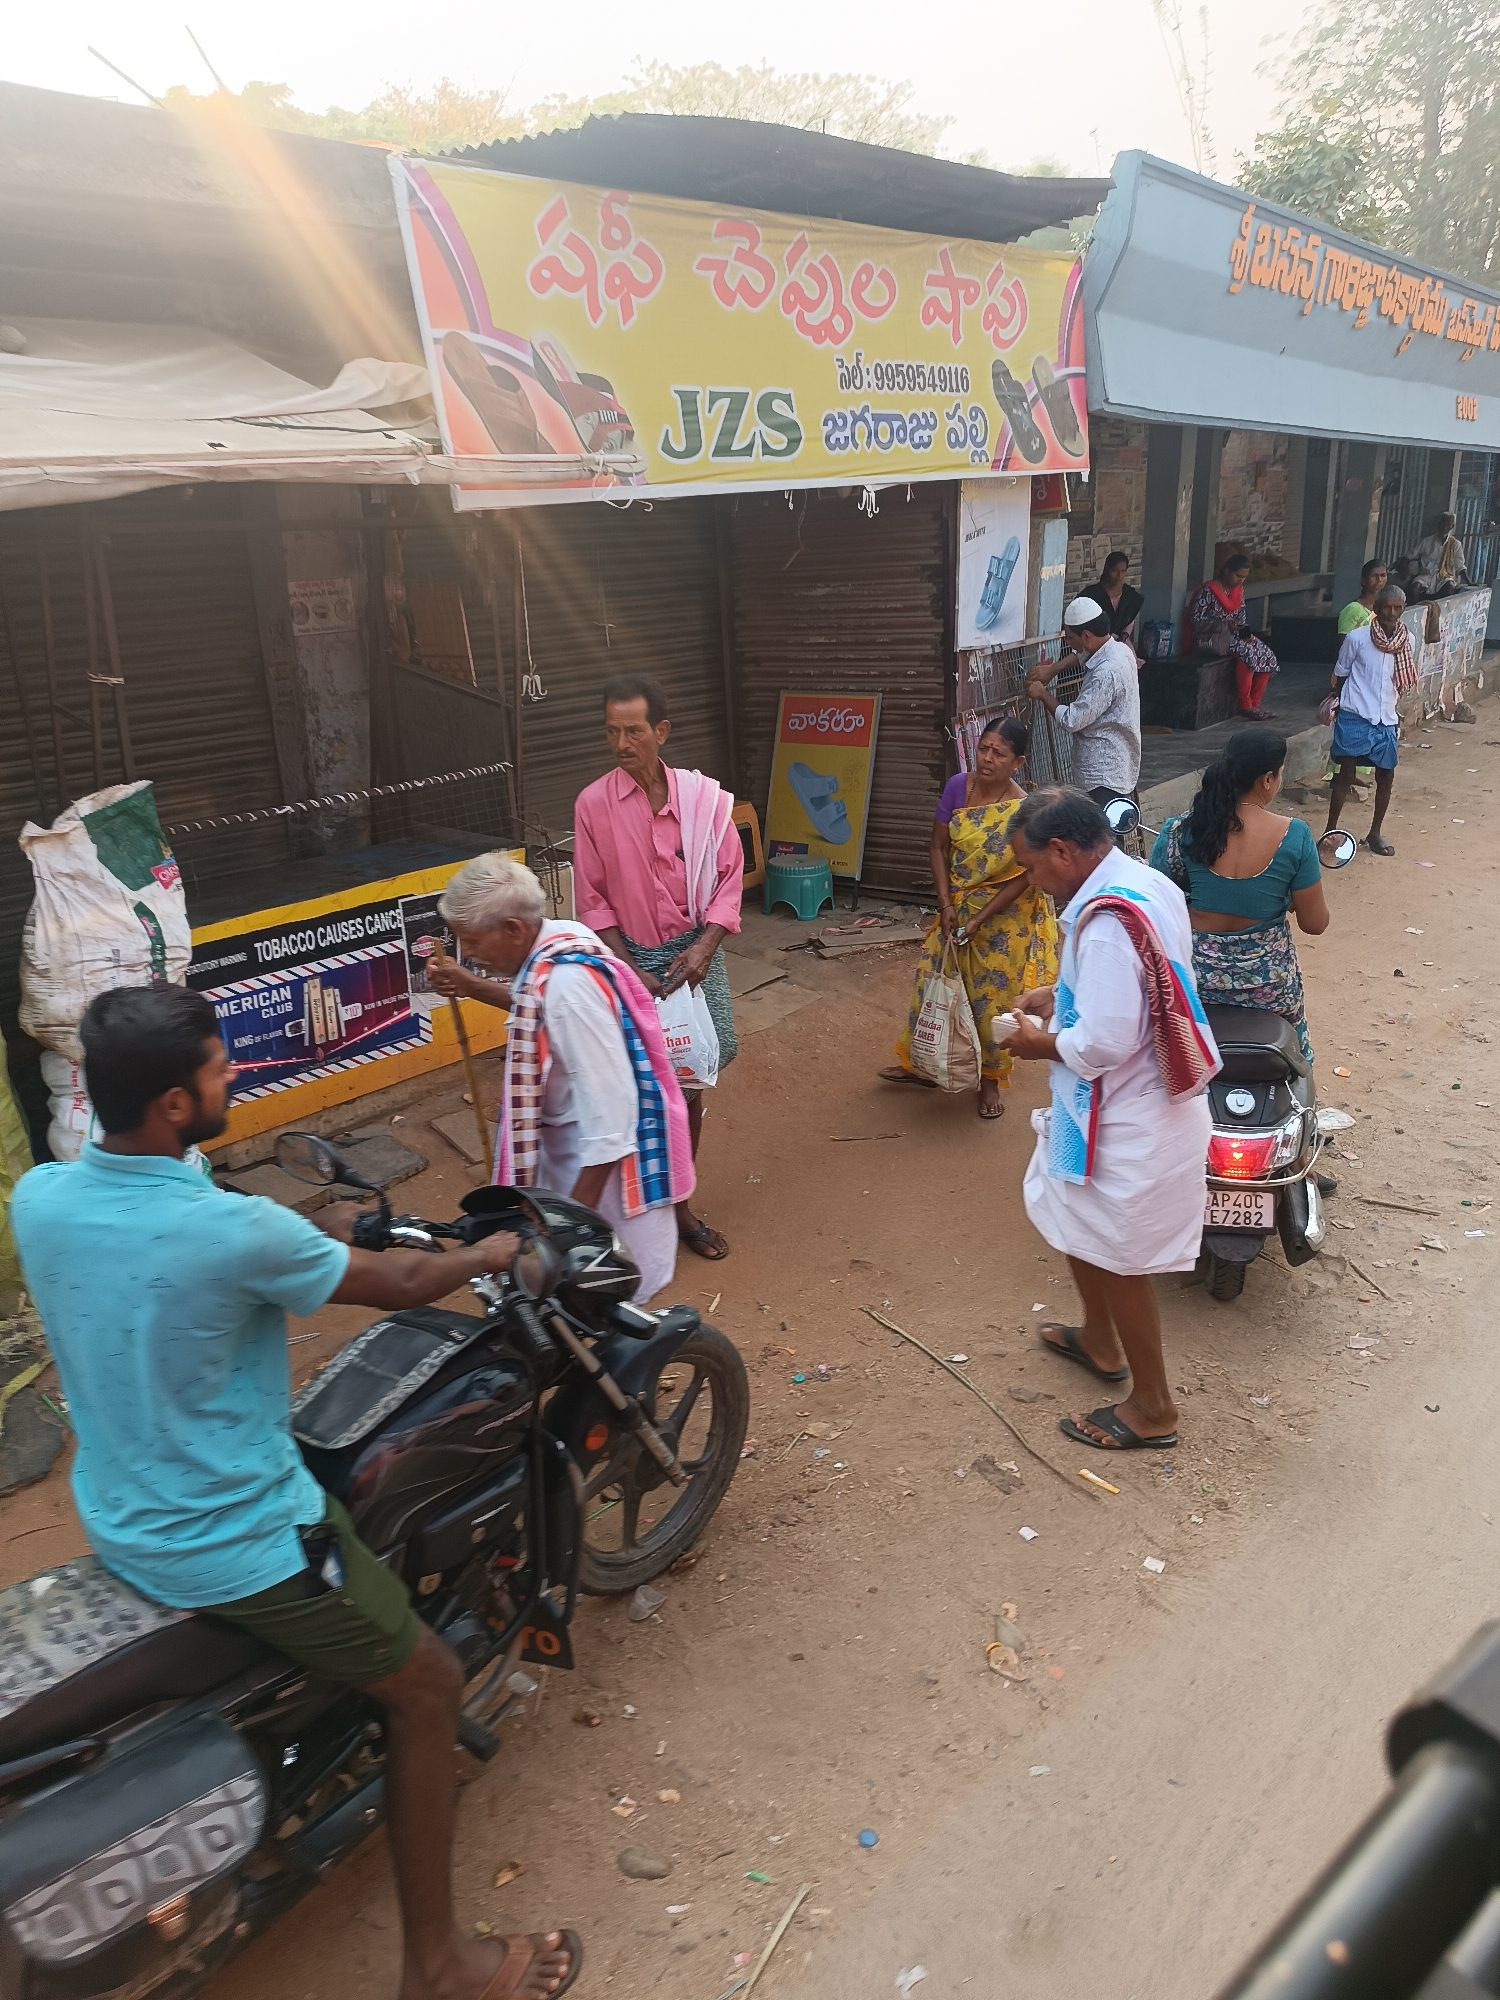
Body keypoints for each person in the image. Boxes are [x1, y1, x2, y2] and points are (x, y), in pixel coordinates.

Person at [8, 985, 581, 2000]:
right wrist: (491, 1250)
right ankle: (441, 1966)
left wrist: (303, 1222)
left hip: (122, 1513)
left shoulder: (43, 1199)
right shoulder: (231, 1234)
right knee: (428, 1683)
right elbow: (402, 1284)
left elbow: (170, 1242)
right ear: (175, 1104)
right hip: (240, 1542)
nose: (234, 1074)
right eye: (219, 1069)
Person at [1003, 789, 1220, 1453]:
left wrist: (1037, 1042)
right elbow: (1142, 979)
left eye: (1031, 867)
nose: (1031, 882)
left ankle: (1154, 1407)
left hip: (1130, 1115)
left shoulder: (1102, 926)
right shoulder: (1145, 882)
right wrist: (1062, 991)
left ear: (1063, 851)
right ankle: (1100, 1340)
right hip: (1110, 1108)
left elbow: (1102, 1043)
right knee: (1080, 1220)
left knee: (1122, 1256)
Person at [437, 853, 693, 1303]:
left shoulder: (567, 988)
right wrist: (472, 986)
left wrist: (569, 1225)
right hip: (571, 1154)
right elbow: (535, 1003)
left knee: (605, 1298)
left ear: (514, 929)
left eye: (471, 941)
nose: (468, 953)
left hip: (597, 1172)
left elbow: (611, 1121)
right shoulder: (559, 941)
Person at [571, 672, 740, 1261]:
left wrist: (705, 947)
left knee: (691, 1079)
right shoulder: (592, 805)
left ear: (661, 731)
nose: (621, 743)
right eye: (611, 731)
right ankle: (627, 1210)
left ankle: (680, 1205)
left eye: (634, 731)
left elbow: (728, 879)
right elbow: (592, 900)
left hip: (697, 953)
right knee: (632, 1088)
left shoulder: (702, 800)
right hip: (631, 958)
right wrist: (627, 967)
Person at [878, 716, 1060, 1120]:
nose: (987, 758)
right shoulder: (958, 787)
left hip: (1005, 919)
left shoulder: (1025, 810)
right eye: (983, 748)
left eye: (999, 753)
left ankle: (989, 1079)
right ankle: (924, 1061)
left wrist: (980, 918)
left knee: (991, 999)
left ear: (1019, 762)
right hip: (956, 908)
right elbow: (937, 847)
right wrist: (946, 905)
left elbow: (1025, 876)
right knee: (933, 981)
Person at [1149, 728, 1329, 1065]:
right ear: (1267, 780)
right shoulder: (1295, 835)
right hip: (1270, 989)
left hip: (1196, 984)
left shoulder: (1180, 830)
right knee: (1297, 1061)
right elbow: (1315, 924)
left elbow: (1156, 907)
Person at [1324, 585, 1417, 857]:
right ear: (1376, 608)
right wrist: (1340, 705)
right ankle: (1330, 831)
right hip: (1355, 714)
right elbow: (1341, 674)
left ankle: (1375, 834)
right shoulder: (1357, 638)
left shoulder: (1408, 640)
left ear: (1403, 609)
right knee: (1345, 774)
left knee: (1386, 775)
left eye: (1397, 608)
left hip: (1386, 717)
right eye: (1386, 606)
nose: (1391, 612)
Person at [1025, 597, 1142, 805]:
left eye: (1070, 638)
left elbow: (1072, 720)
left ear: (1086, 636)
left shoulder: (1106, 672)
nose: (1068, 643)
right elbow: (1082, 655)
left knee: (1100, 825)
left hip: (1102, 776)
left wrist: (1042, 694)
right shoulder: (1119, 649)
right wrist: (1053, 669)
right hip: (1114, 765)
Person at [1184, 552, 1280, 720]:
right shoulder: (1208, 590)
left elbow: (1241, 617)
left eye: (1244, 577)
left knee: (1266, 654)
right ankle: (1245, 705)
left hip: (1234, 635)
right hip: (1213, 637)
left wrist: (1244, 632)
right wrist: (1222, 621)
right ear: (1227, 571)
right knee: (1247, 653)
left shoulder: (1238, 591)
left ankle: (1255, 703)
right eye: (1238, 576)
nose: (1240, 581)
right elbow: (1195, 618)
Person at [1093, 550, 1145, 656]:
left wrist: (1125, 634)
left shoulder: (1129, 596)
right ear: (1106, 569)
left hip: (1121, 644)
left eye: (1123, 571)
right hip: (1096, 645)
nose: (1119, 576)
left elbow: (1129, 620)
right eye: (1114, 571)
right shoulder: (1093, 594)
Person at [1411, 513, 1470, 600]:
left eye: (1449, 524)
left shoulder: (1455, 544)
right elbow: (1410, 555)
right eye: (1443, 522)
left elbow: (1460, 567)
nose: (1445, 526)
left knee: (1450, 586)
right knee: (1415, 587)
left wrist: (1469, 582)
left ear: (1452, 526)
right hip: (1426, 575)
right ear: (1439, 523)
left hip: (1444, 577)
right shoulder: (1426, 541)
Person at [1337, 560, 1388, 635]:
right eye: (1374, 576)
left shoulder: (1387, 608)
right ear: (1363, 579)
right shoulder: (1353, 609)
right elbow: (1344, 640)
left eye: (1383, 575)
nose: (1379, 580)